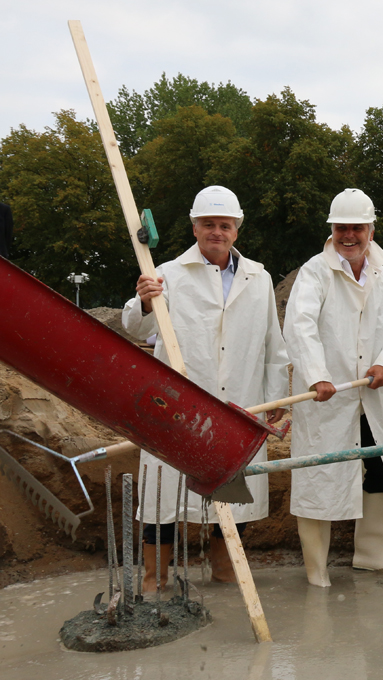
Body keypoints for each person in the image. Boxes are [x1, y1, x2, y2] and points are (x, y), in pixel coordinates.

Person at [122, 185, 289, 591]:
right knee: (163, 494)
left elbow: (273, 342)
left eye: (225, 225)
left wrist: (277, 396)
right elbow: (134, 326)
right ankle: (154, 578)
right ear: (195, 228)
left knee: (231, 490)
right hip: (176, 403)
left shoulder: (259, 278)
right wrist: (144, 302)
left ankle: (224, 571)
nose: (217, 231)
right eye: (209, 224)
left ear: (237, 229)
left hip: (240, 402)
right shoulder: (167, 274)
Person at [284, 188, 383, 587]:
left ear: (370, 230)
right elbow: (300, 325)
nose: (349, 236)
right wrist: (317, 374)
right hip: (328, 397)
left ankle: (371, 553)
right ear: (332, 230)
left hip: (367, 394)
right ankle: (317, 570)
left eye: (357, 228)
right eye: (342, 228)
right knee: (318, 480)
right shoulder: (315, 272)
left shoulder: (382, 276)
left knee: (378, 468)